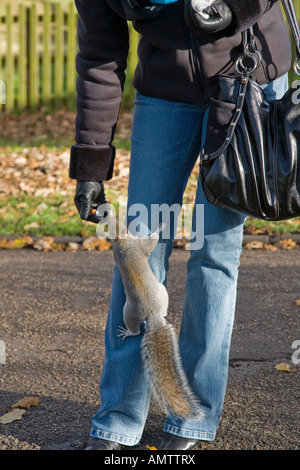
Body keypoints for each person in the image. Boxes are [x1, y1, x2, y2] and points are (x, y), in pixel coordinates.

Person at [70, 0, 291, 450]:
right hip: (165, 93)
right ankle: (118, 419)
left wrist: (235, 9)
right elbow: (99, 54)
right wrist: (91, 163)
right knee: (139, 251)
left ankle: (192, 417)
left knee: (215, 253)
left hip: (247, 78)